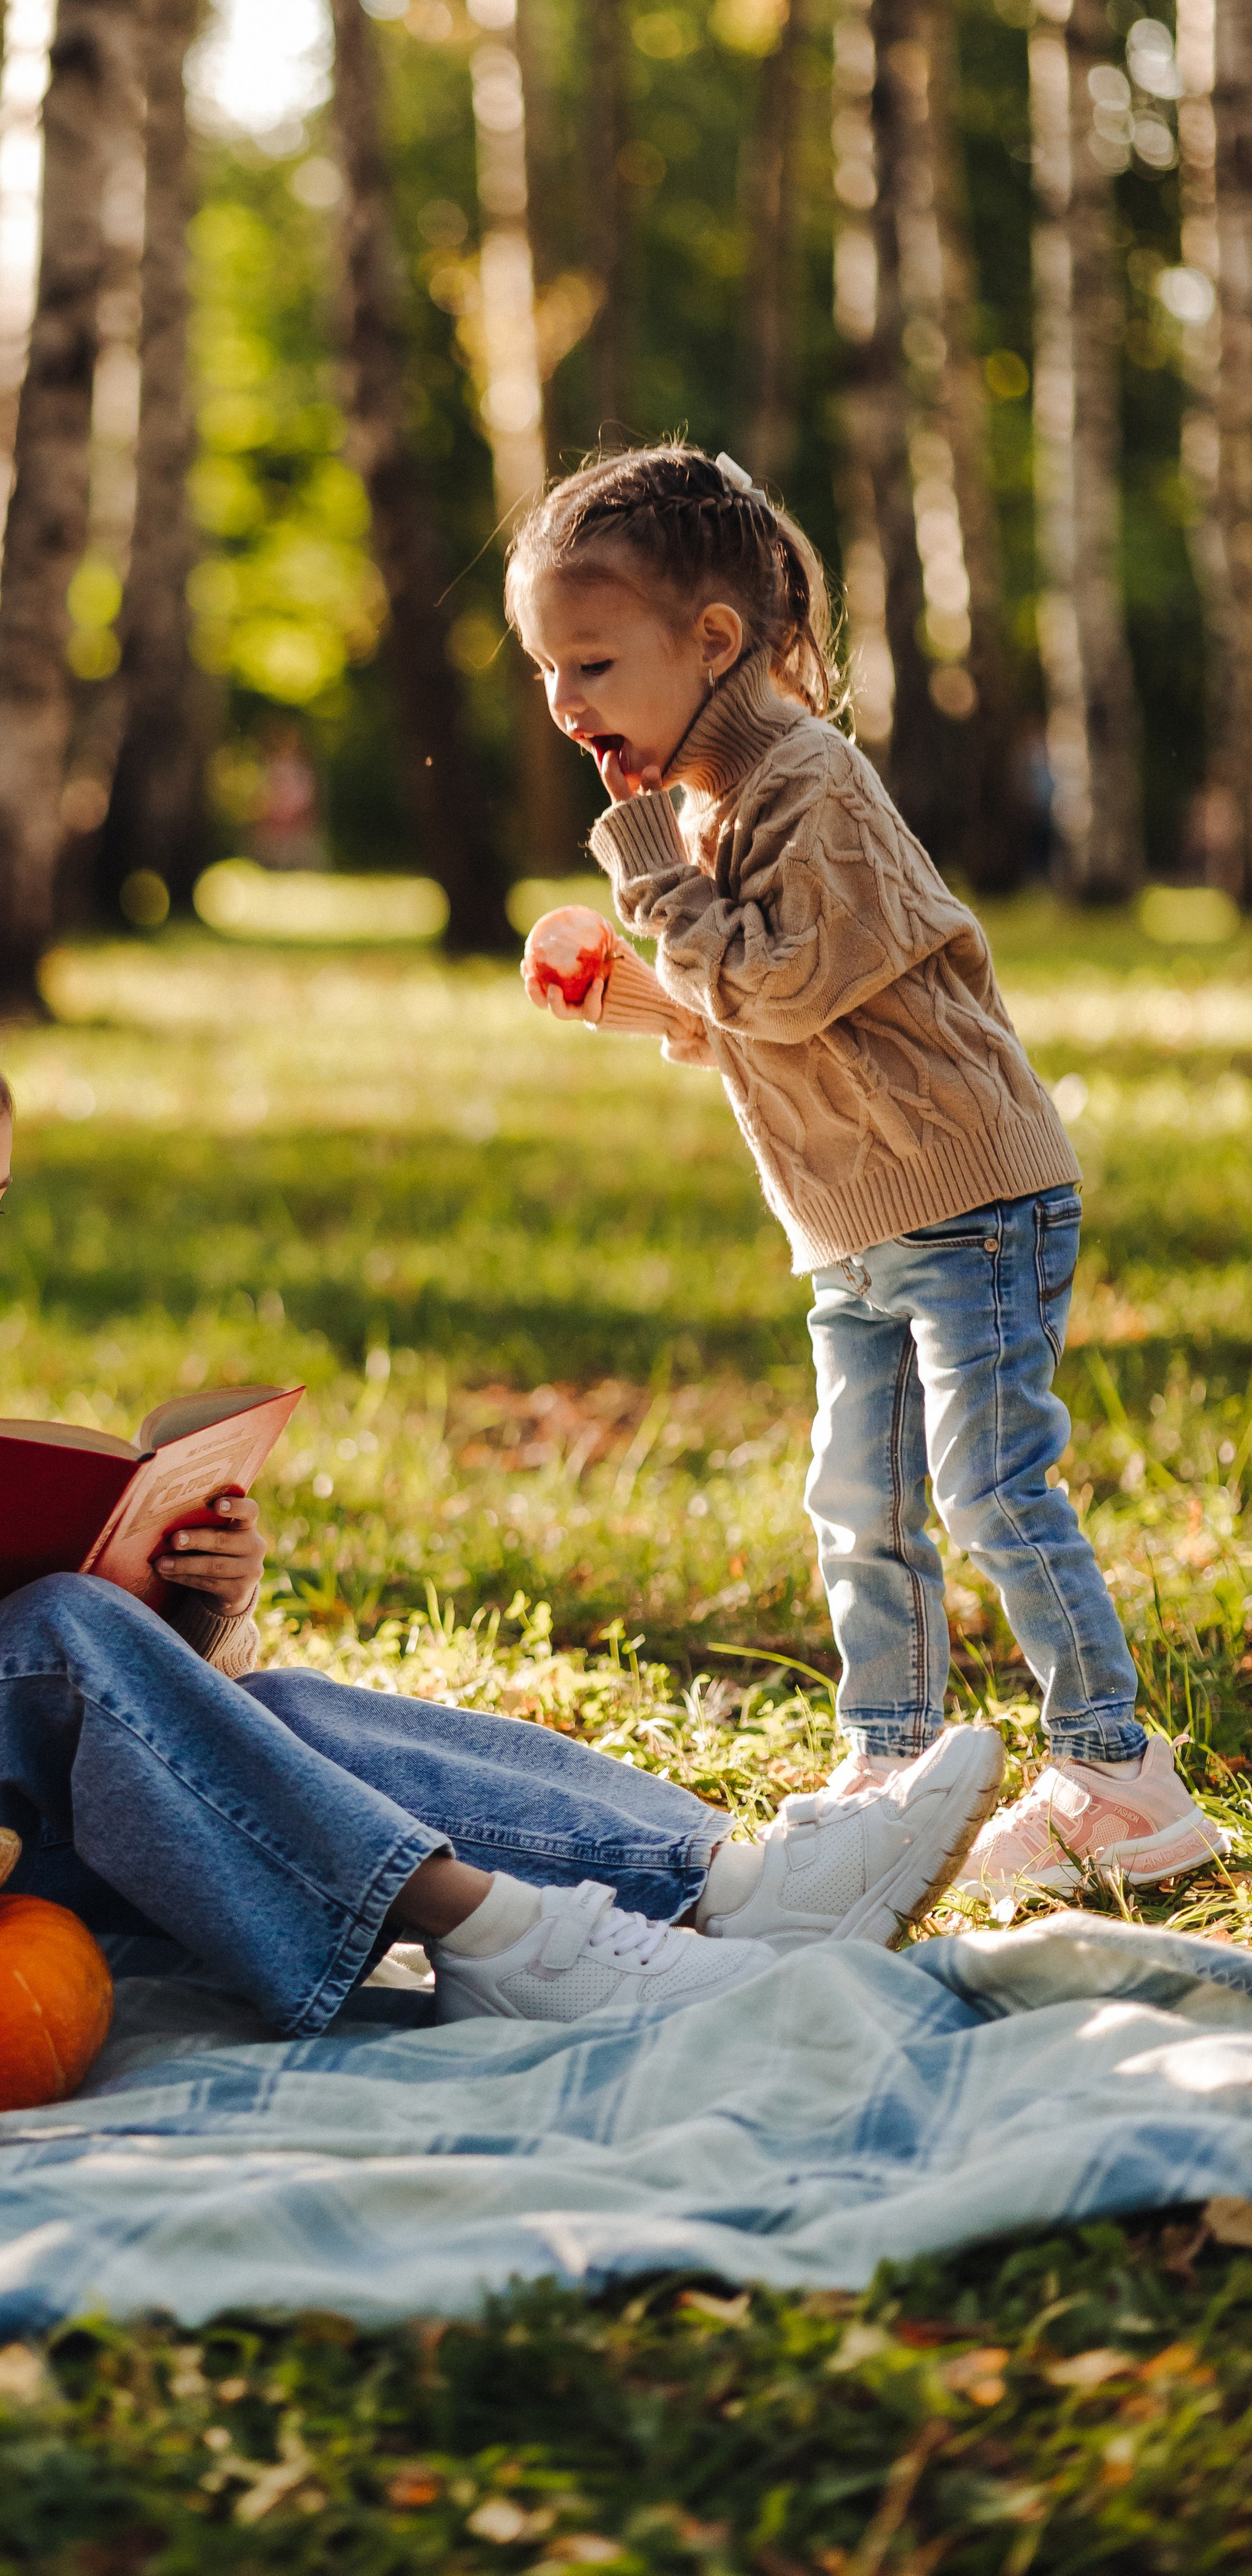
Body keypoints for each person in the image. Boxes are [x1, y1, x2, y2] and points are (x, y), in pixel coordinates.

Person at [0, 978, 1001, 2039]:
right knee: (54, 1635)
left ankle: (726, 1886)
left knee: (275, 1700)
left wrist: (196, 1596)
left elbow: (167, 1726)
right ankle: (503, 1937)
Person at [510, 442, 1225, 1906]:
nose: (563, 705)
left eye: (589, 663)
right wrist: (631, 1001)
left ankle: (1117, 1777)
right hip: (854, 1218)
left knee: (990, 1485)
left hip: (966, 1201)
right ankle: (887, 1762)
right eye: (546, 671)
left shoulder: (805, 780)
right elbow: (759, 1027)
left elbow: (776, 992)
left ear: (713, 642)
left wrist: (648, 882)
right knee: (864, 1499)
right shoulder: (715, 803)